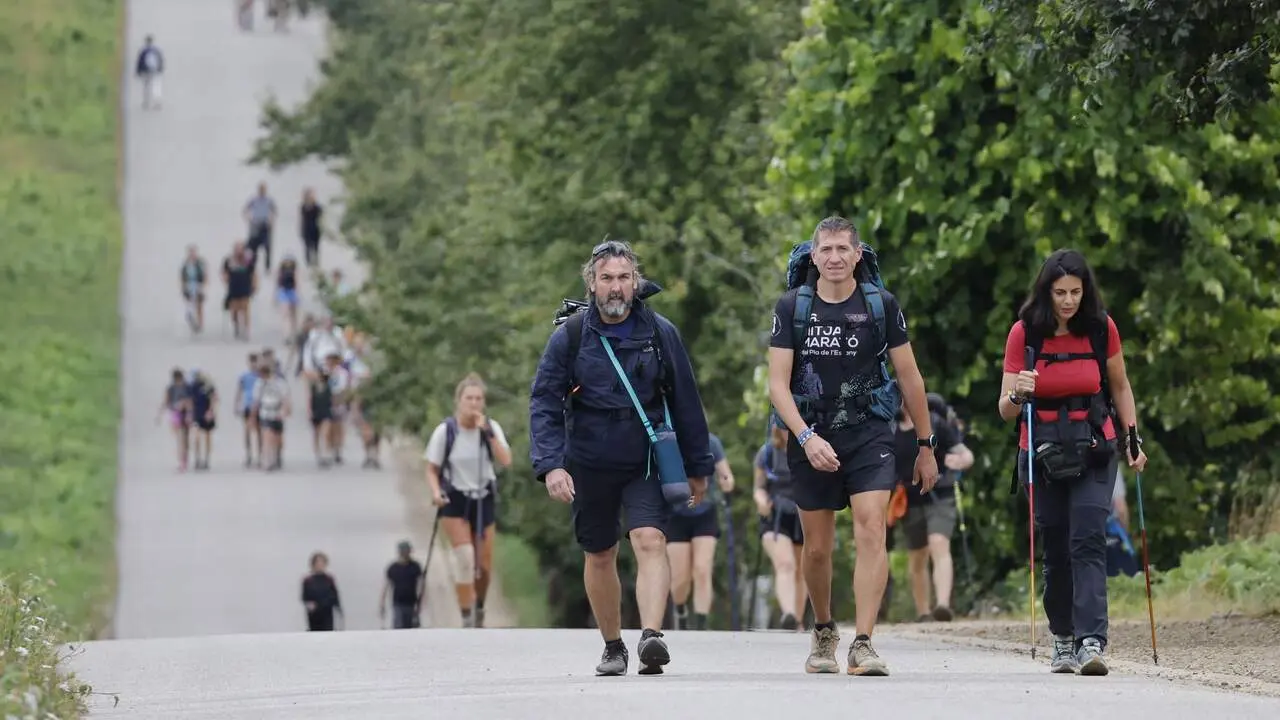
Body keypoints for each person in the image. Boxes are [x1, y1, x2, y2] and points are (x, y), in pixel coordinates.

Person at [529, 239, 714, 676]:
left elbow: (686, 400)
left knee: (649, 540)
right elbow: (544, 402)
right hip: (589, 459)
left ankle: (651, 636)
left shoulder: (660, 333)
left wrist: (699, 466)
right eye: (607, 278)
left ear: (637, 282)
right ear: (591, 283)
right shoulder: (570, 336)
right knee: (599, 553)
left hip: (645, 456)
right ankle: (613, 646)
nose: (616, 287)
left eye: (624, 278)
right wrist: (551, 464)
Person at [767, 216, 938, 677]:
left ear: (858, 254)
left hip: (870, 431)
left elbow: (910, 377)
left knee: (871, 529)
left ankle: (864, 642)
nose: (836, 258)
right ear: (814, 256)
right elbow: (777, 385)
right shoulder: (792, 308)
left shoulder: (881, 305)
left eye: (844, 249)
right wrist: (805, 436)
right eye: (827, 250)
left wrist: (926, 444)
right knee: (817, 549)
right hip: (812, 432)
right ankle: (824, 629)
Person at [999, 248, 1148, 677]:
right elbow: (1004, 409)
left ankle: (1091, 641)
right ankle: (1062, 638)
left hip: (1094, 447)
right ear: (1046, 291)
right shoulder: (1024, 334)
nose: (1068, 301)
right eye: (1060, 292)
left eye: (1076, 292)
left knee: (1088, 536)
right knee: (1057, 545)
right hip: (1041, 453)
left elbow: (1120, 387)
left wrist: (1132, 437)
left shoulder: (1101, 328)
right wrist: (1019, 392)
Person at [425, 373, 513, 628]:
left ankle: (479, 606)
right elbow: (431, 468)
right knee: (464, 558)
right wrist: (435, 492)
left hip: (483, 496)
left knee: (484, 565)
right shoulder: (446, 431)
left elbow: (506, 461)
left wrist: (489, 433)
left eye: (478, 399)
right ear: (459, 401)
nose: (474, 404)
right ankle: (466, 615)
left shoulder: (490, 429)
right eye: (469, 398)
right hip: (455, 498)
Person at [894, 394, 973, 622]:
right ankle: (923, 612)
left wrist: (959, 461)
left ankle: (942, 605)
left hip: (941, 493)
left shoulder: (935, 423)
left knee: (939, 543)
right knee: (917, 556)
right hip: (910, 499)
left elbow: (966, 454)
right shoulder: (891, 428)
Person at [666, 430, 734, 631]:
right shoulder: (668, 442)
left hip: (705, 512)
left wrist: (727, 481)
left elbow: (726, 473)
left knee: (702, 569)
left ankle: (702, 624)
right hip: (676, 514)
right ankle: (680, 608)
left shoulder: (711, 442)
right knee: (680, 577)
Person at [754, 423, 807, 630]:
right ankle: (789, 613)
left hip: (803, 514)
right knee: (785, 564)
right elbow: (758, 488)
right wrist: (761, 501)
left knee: (802, 572)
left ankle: (798, 621)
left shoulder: (808, 449)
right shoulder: (767, 453)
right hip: (775, 517)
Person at [252, 361, 291, 471]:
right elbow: (256, 401)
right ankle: (268, 461)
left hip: (277, 411)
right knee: (267, 436)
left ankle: (277, 455)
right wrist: (253, 416)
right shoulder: (259, 384)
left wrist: (285, 410)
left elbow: (285, 398)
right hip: (265, 412)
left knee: (277, 438)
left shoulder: (279, 383)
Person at [380, 541, 423, 629]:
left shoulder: (415, 567)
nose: (405, 553)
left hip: (412, 604)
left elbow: (421, 585)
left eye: (407, 550)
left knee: (412, 628)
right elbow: (386, 586)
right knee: (399, 628)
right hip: (397, 603)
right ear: (399, 552)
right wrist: (382, 603)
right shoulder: (393, 568)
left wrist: (421, 603)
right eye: (403, 551)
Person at [157, 368, 192, 472]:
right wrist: (160, 414)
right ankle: (182, 460)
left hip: (184, 412)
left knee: (185, 437)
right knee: (180, 437)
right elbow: (166, 401)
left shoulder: (187, 387)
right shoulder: (171, 388)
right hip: (176, 413)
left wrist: (189, 413)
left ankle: (184, 458)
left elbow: (190, 401)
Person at [222, 242, 257, 340]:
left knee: (245, 309)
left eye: (240, 248)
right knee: (234, 311)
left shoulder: (248, 261)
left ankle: (246, 329)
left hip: (245, 287)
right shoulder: (229, 260)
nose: (238, 251)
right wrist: (226, 281)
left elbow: (253, 273)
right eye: (237, 248)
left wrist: (254, 285)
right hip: (233, 289)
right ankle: (236, 326)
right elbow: (225, 272)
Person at [301, 552, 342, 631]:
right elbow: (305, 597)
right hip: (314, 615)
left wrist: (338, 608)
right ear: (313, 564)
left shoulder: (329, 580)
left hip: (327, 614)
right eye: (317, 562)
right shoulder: (308, 580)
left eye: (322, 562)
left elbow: (335, 596)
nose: (320, 564)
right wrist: (311, 605)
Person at [188, 370, 219, 471]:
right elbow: (190, 401)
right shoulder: (192, 387)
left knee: (207, 437)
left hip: (207, 415)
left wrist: (211, 411)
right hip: (197, 415)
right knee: (196, 437)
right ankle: (197, 459)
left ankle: (206, 459)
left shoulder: (208, 386)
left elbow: (214, 399)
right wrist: (190, 413)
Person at [243, 183, 278, 273]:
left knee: (267, 247)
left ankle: (267, 267)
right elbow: (246, 209)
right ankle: (252, 266)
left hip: (265, 225)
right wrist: (248, 218)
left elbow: (274, 210)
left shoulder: (269, 200)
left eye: (264, 189)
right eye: (261, 189)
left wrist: (272, 220)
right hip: (255, 225)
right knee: (253, 247)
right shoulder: (254, 199)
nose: (262, 191)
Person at [235, 353, 262, 467]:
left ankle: (260, 455)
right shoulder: (244, 376)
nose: (253, 364)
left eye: (255, 362)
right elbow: (239, 390)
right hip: (247, 405)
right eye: (251, 362)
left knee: (259, 431)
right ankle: (249, 455)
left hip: (259, 405)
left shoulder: (261, 375)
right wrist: (237, 404)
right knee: (247, 431)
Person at [180, 246, 207, 333]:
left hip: (198, 285)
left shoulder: (200, 263)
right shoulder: (186, 264)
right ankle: (192, 322)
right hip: (189, 286)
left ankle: (200, 324)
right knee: (190, 305)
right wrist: (183, 287)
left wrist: (203, 285)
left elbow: (205, 275)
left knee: (199, 305)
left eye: (194, 253)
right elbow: (182, 277)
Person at [134, 35, 164, 110]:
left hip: (146, 71)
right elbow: (160, 60)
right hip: (156, 71)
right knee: (156, 86)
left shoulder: (143, 51)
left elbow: (140, 62)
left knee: (146, 86)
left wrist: (138, 71)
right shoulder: (156, 50)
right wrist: (160, 69)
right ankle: (157, 102)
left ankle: (146, 101)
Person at [276, 256, 300, 338]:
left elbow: (297, 281)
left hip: (291, 291)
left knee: (292, 315)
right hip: (285, 292)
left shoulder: (293, 270)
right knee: (286, 315)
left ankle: (293, 332)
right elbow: (278, 282)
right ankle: (288, 333)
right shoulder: (282, 270)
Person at [300, 188, 323, 267]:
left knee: (315, 247)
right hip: (307, 229)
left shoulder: (317, 207)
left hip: (315, 229)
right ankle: (308, 263)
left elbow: (321, 216)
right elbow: (302, 219)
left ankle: (316, 263)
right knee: (307, 247)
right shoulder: (303, 207)